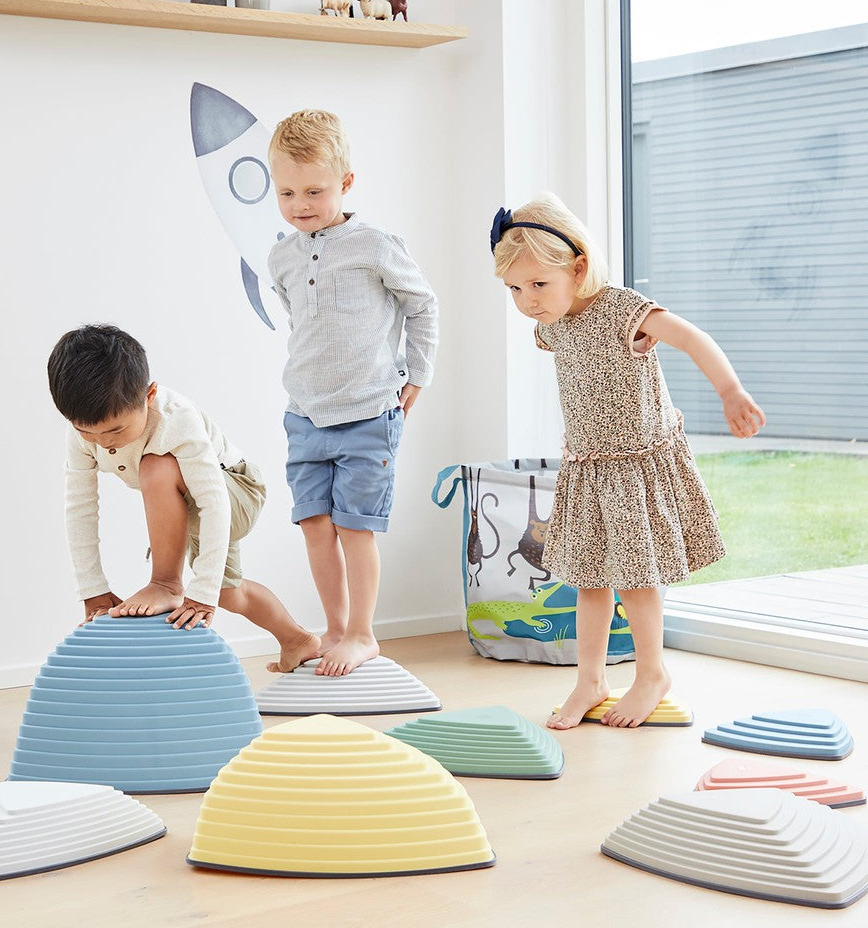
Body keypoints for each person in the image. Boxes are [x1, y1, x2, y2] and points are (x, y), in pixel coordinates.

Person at [491, 194, 765, 729]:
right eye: (515, 289)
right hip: (587, 465)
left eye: (538, 284)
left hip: (634, 465)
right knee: (588, 578)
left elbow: (693, 339)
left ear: (579, 268)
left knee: (637, 578)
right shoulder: (553, 324)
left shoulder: (623, 310)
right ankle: (590, 679)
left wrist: (731, 391)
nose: (527, 301)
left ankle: (651, 674)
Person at [267, 109, 439, 677]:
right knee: (316, 526)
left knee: (355, 526)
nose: (300, 204)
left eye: (314, 191)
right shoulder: (282, 256)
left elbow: (422, 306)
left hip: (368, 413)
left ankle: (364, 634)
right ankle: (336, 630)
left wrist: (417, 374)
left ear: (345, 182)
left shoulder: (376, 245)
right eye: (287, 192)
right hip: (305, 416)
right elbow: (299, 323)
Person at [46, 324, 320, 673]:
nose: (103, 442)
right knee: (229, 593)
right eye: (86, 431)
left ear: (149, 395)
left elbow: (213, 500)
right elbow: (80, 509)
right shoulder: (80, 434)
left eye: (115, 430)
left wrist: (198, 592)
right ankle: (297, 640)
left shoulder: (176, 418)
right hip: (187, 503)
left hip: (234, 492)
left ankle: (165, 581)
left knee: (155, 466)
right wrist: (93, 589)